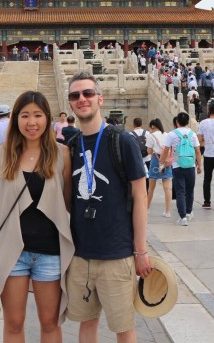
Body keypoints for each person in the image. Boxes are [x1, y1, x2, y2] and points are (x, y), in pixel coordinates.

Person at [0, 91, 74, 342]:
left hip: (50, 252)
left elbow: (70, 204)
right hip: (12, 251)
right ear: (16, 119)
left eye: (37, 115)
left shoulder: (62, 154)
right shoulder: (3, 155)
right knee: (14, 323)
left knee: (50, 322)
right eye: (25, 115)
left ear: (47, 118)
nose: (31, 122)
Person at [64, 71, 150, 341]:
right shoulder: (71, 146)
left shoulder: (122, 141)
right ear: (70, 104)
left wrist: (140, 250)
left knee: (123, 327)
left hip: (117, 254)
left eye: (88, 93)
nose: (82, 99)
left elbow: (140, 197)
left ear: (100, 99)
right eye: (75, 95)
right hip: (80, 255)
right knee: (86, 324)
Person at [163, 112, 202, 226]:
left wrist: (162, 161)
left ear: (177, 122)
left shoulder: (172, 134)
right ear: (188, 122)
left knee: (180, 192)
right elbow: (198, 151)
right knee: (190, 191)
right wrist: (200, 165)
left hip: (177, 166)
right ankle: (189, 213)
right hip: (190, 165)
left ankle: (183, 217)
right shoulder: (192, 134)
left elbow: (166, 150)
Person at [145, 118, 172, 217]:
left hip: (156, 160)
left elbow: (149, 151)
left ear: (153, 126)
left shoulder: (151, 136)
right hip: (166, 161)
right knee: (167, 187)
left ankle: (147, 209)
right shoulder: (167, 135)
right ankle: (167, 211)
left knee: (151, 187)